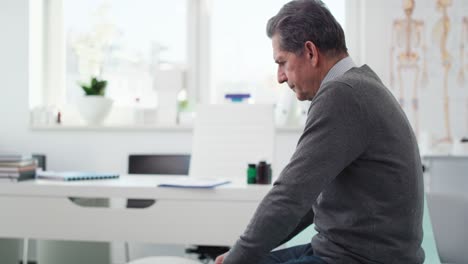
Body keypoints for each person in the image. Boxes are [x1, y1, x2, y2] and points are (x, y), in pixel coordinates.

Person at [215, 0, 425, 263]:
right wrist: (243, 254)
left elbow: (290, 195)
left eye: (282, 62)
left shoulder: (342, 95)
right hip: (345, 250)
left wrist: (239, 257)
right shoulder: (360, 85)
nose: (279, 76)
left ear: (311, 52)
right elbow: (305, 199)